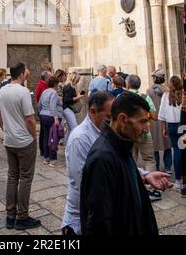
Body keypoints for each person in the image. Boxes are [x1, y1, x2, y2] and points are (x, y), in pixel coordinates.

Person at [80, 92, 171, 235]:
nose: (147, 128)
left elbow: (121, 179)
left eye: (147, 121)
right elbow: (99, 222)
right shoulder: (102, 158)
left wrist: (144, 177)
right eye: (142, 121)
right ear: (122, 119)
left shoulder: (121, 144)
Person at [0, 62, 41, 231]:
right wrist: (34, 136)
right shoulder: (22, 92)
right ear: (21, 74)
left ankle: (10, 216)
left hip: (9, 140)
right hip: (24, 140)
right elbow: (30, 118)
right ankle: (22, 216)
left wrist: (5, 130)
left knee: (12, 176)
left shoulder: (1, 91)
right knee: (26, 177)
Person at [62, 91, 114, 235]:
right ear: (93, 111)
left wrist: (144, 175)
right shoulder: (79, 139)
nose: (112, 122)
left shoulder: (105, 132)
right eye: (108, 117)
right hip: (81, 217)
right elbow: (83, 183)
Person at [126, 74, 157, 172]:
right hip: (144, 132)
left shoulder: (121, 97)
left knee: (129, 159)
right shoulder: (145, 97)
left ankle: (133, 183)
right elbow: (155, 117)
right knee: (149, 160)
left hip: (127, 132)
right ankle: (152, 185)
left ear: (127, 85)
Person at [158, 75, 183, 189]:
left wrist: (164, 128)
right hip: (182, 125)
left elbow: (162, 114)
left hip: (172, 126)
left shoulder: (165, 96)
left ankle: (178, 180)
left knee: (177, 151)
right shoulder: (183, 94)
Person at [146, 69, 172, 173]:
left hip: (154, 120)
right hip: (164, 120)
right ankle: (168, 167)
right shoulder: (167, 90)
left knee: (155, 146)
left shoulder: (149, 90)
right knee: (167, 145)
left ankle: (156, 168)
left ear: (156, 78)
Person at [38, 76, 62, 167]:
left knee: (46, 137)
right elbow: (53, 106)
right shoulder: (54, 92)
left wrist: (40, 113)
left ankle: (46, 158)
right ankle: (53, 160)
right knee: (53, 138)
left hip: (43, 115)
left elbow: (39, 104)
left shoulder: (44, 91)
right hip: (50, 117)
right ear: (56, 84)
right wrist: (56, 118)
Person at [62, 72, 84, 141]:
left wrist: (78, 96)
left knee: (70, 128)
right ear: (74, 78)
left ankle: (67, 143)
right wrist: (78, 97)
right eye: (78, 79)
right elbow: (66, 100)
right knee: (74, 127)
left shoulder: (71, 87)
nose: (78, 81)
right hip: (66, 108)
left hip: (68, 108)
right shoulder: (68, 87)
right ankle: (71, 142)